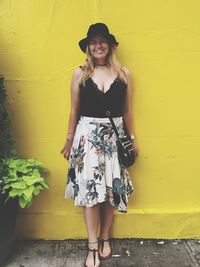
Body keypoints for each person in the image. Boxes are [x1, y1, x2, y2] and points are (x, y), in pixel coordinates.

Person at [60, 22, 139, 267]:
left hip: (114, 139)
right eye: (93, 42)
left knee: (111, 191)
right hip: (87, 137)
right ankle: (93, 245)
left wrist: (132, 139)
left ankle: (106, 238)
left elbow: (127, 112)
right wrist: (69, 140)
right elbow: (74, 110)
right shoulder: (79, 73)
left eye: (102, 41)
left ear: (110, 45)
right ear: (88, 47)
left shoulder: (124, 74)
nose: (98, 45)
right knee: (90, 194)